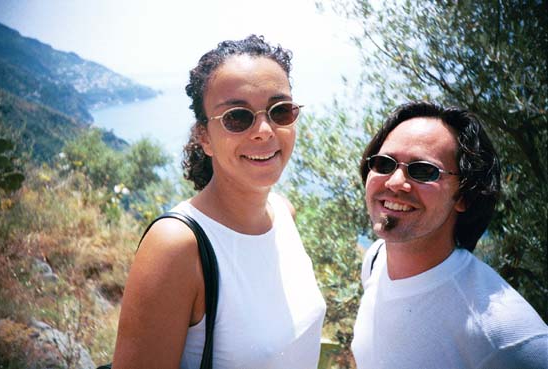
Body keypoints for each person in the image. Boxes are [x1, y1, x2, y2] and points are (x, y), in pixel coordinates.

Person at [111, 35, 326, 369]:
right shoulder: (177, 246)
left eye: (280, 111)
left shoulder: (284, 213)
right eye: (237, 117)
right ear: (203, 137)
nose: (265, 130)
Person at [351, 101, 548, 368]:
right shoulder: (375, 261)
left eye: (423, 170)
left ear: (464, 196)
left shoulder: (504, 334)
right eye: (384, 164)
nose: (395, 182)